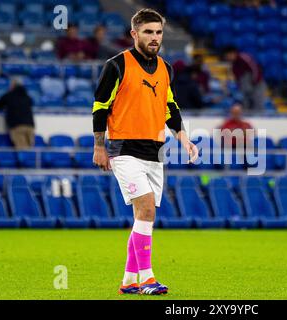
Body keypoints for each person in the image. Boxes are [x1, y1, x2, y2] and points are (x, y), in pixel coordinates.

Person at [92, 8, 198, 296]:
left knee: (143, 216)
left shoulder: (166, 68)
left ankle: (128, 281)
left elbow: (169, 106)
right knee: (147, 209)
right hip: (123, 149)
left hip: (155, 151)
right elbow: (100, 106)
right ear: (134, 34)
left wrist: (183, 137)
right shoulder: (116, 66)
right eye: (148, 32)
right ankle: (148, 278)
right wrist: (99, 146)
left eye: (158, 32)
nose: (154, 37)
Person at [0, 78, 35, 149]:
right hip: (30, 125)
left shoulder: (9, 95)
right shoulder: (27, 96)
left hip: (17, 125)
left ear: (12, 86)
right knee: (30, 150)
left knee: (23, 150)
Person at [223, 46, 267, 111]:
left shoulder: (244, 57)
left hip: (257, 85)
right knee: (246, 106)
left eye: (228, 56)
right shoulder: (233, 65)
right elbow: (237, 79)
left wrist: (254, 82)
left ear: (233, 53)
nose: (227, 58)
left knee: (258, 105)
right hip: (246, 88)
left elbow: (255, 68)